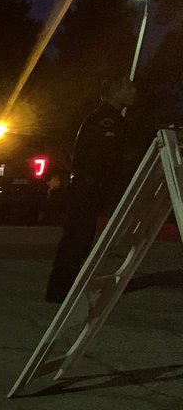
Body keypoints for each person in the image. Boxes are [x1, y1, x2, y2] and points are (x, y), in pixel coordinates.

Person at [44, 76, 138, 303]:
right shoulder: (106, 121)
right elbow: (103, 159)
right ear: (115, 93)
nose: (134, 91)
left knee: (80, 240)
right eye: (127, 87)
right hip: (88, 188)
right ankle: (61, 290)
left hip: (91, 188)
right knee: (77, 240)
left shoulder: (110, 119)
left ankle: (65, 288)